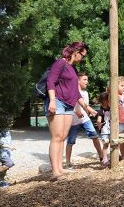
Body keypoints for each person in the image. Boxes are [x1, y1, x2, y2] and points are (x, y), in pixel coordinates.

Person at [45, 41, 97, 181]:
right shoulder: (60, 63)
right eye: (82, 55)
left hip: (69, 105)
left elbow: (76, 92)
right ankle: (55, 172)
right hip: (58, 103)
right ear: (75, 52)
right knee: (56, 137)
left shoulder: (73, 69)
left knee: (62, 137)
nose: (83, 58)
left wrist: (87, 108)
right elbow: (50, 81)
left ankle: (61, 168)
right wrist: (52, 101)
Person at [65, 72, 102, 169]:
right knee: (70, 141)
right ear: (78, 80)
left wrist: (93, 113)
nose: (87, 82)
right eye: (85, 79)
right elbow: (68, 105)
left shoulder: (85, 93)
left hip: (85, 119)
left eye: (87, 79)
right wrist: (76, 112)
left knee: (94, 136)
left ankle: (102, 157)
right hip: (73, 121)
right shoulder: (71, 91)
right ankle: (68, 163)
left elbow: (86, 106)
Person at [97, 92, 111, 167]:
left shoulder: (110, 108)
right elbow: (99, 119)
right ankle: (104, 159)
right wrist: (99, 123)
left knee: (111, 144)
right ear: (104, 101)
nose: (109, 101)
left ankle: (112, 156)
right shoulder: (101, 111)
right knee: (105, 144)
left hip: (111, 130)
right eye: (108, 100)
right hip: (104, 131)